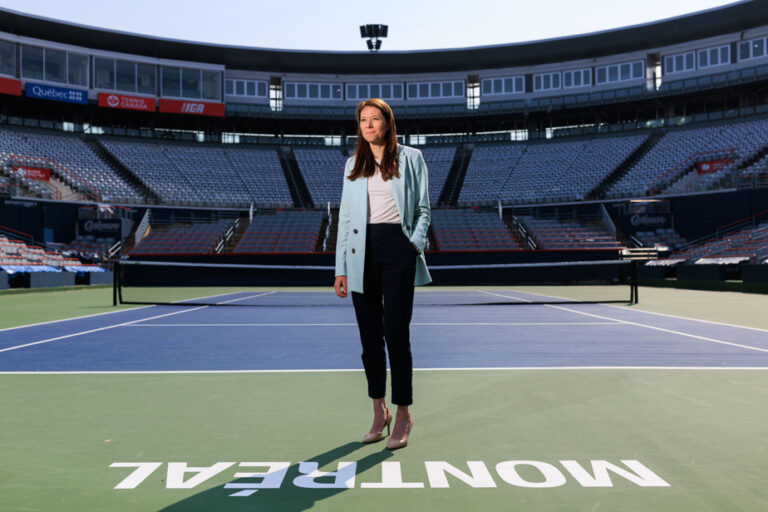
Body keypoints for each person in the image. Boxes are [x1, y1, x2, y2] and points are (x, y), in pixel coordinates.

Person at [334, 98, 431, 450]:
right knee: (370, 339)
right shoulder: (352, 165)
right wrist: (341, 267)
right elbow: (345, 219)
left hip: (398, 249)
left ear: (388, 124)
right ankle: (379, 411)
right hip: (361, 253)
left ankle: (403, 412)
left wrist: (413, 246)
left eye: (376, 119)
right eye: (363, 120)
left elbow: (423, 209)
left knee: (396, 334)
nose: (369, 125)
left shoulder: (412, 158)